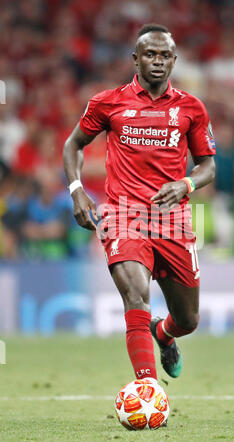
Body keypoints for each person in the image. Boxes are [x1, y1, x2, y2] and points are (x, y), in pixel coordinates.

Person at [63, 24, 216, 382]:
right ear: (136, 60)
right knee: (135, 296)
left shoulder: (191, 108)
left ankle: (162, 334)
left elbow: (208, 165)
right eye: (150, 54)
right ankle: (147, 388)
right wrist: (76, 189)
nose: (158, 61)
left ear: (175, 60)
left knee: (188, 320)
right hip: (123, 215)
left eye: (165, 55)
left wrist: (186, 183)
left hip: (173, 220)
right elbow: (74, 145)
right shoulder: (108, 102)